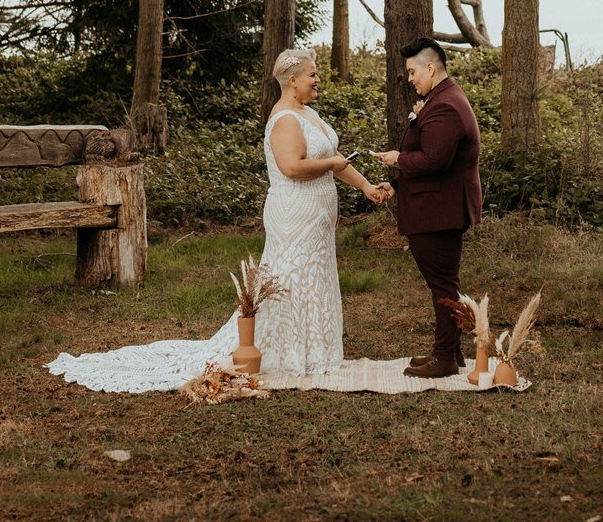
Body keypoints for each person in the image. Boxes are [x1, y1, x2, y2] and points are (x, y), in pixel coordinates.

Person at [46, 46, 389, 391]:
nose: (318, 80)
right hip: (294, 213)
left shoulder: (307, 113)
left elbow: (335, 156)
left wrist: (364, 186)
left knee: (314, 278)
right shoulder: (284, 118)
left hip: (318, 216)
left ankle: (317, 352)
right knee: (290, 280)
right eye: (313, 74)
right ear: (292, 80)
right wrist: (331, 166)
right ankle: (285, 354)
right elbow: (292, 167)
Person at [375, 37, 483, 379]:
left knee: (443, 285)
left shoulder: (446, 105)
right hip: (437, 205)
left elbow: (435, 160)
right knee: (443, 283)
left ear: (430, 67)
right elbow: (431, 153)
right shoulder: (440, 99)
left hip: (439, 211)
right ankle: (451, 351)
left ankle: (445, 358)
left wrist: (397, 159)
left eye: (412, 71)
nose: (409, 78)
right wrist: (395, 185)